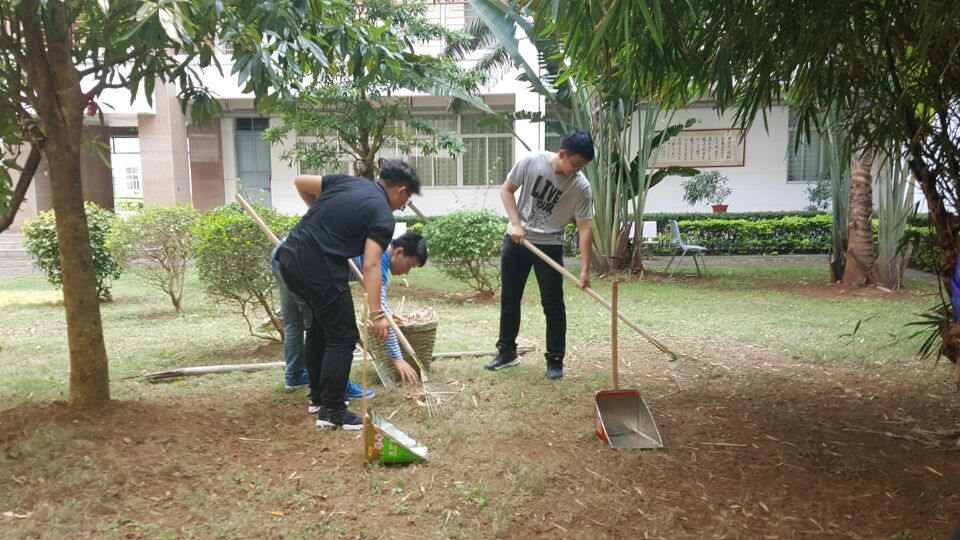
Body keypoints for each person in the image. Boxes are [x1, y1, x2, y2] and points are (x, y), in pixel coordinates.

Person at [274, 160, 420, 430]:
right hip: (318, 267)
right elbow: (372, 264)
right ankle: (332, 410)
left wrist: (324, 222)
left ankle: (318, 397)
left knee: (321, 327)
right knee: (342, 335)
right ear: (400, 190)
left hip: (289, 260)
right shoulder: (383, 216)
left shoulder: (346, 182)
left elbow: (300, 181)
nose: (401, 206)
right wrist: (377, 315)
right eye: (405, 200)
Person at [485, 130, 595, 380]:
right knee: (510, 299)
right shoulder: (531, 161)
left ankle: (555, 360)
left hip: (549, 246)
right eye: (576, 164)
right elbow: (506, 190)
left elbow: (584, 228)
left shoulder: (581, 188)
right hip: (517, 241)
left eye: (583, 167)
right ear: (563, 154)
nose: (577, 170)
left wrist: (585, 270)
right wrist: (515, 224)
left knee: (553, 304)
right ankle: (507, 352)